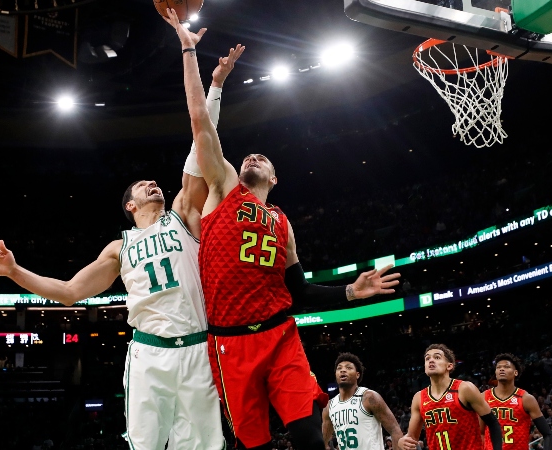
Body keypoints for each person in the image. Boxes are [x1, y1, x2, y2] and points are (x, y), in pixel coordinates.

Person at [0, 52, 244, 450]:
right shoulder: (119, 247)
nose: (152, 183)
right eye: (142, 185)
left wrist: (215, 86)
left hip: (199, 348)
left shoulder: (184, 214)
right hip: (149, 353)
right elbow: (69, 292)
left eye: (153, 181)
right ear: (130, 205)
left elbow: (202, 139)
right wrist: (13, 271)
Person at [163, 8, 401, 449]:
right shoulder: (224, 188)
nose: (252, 157)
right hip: (230, 342)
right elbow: (199, 121)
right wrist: (190, 54)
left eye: (262, 159)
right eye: (247, 157)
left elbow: (300, 291)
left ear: (274, 178)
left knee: (308, 433)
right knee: (254, 444)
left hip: (279, 334)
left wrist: (352, 292)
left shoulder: (283, 223)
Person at [398, 344, 503, 450]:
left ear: (449, 366)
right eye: (427, 358)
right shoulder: (419, 398)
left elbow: (493, 423)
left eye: (437, 357)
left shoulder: (464, 389)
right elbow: (411, 438)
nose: (431, 360)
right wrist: (402, 441)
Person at [322, 353, 404, 450]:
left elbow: (395, 430)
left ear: (357, 375)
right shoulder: (329, 406)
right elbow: (324, 442)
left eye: (348, 368)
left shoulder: (369, 397)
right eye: (339, 368)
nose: (343, 370)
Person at [483, 353, 552, 450]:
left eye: (506, 367)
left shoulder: (526, 399)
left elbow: (548, 434)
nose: (502, 369)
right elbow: (480, 432)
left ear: (515, 372)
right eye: (498, 367)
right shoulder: (484, 397)